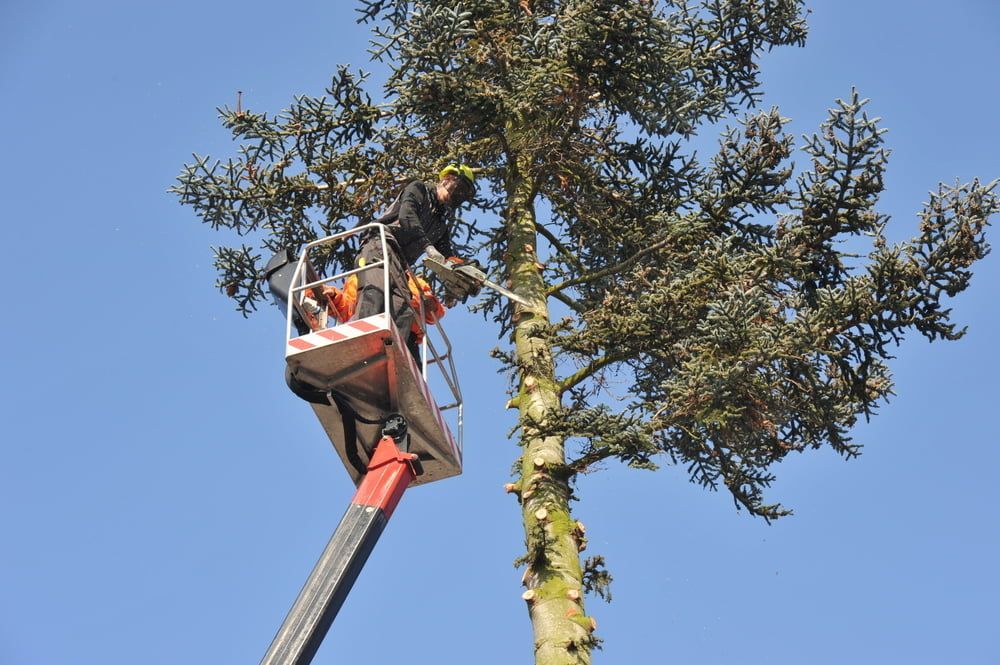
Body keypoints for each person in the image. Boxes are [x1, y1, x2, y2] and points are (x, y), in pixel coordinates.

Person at [353, 163, 476, 351]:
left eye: (464, 193)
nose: (458, 195)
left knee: (403, 308)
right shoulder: (419, 189)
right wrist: (427, 246)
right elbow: (407, 216)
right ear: (446, 179)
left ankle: (389, 353)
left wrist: (458, 278)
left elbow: (447, 255)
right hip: (379, 244)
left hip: (400, 265)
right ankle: (358, 343)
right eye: (459, 187)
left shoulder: (440, 223)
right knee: (376, 290)